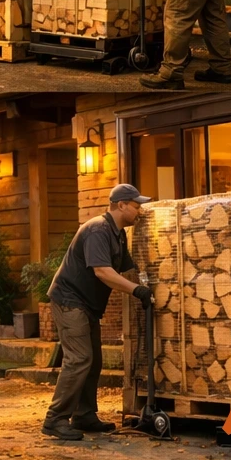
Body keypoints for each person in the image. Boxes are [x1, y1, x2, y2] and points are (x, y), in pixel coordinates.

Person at [42, 183, 153, 442]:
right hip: (70, 301)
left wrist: (151, 283)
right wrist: (137, 291)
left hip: (87, 305)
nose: (140, 211)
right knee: (79, 359)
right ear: (121, 205)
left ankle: (84, 415)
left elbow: (127, 269)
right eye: (136, 206)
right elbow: (102, 271)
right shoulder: (97, 230)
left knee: (93, 362)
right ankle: (55, 419)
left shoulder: (118, 234)